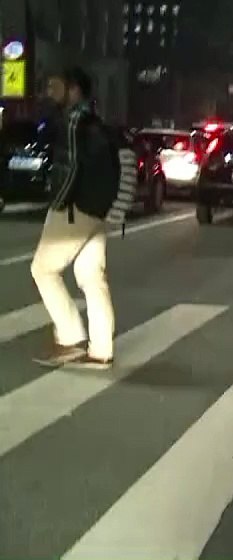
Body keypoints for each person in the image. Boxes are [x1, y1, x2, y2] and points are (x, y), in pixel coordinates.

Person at [30, 67, 118, 370]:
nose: (48, 92)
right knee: (92, 277)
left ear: (74, 90)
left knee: (43, 269)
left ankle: (69, 338)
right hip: (97, 210)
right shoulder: (95, 119)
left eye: (54, 86)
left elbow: (70, 169)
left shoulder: (72, 120)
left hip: (74, 209)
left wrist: (58, 204)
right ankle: (101, 348)